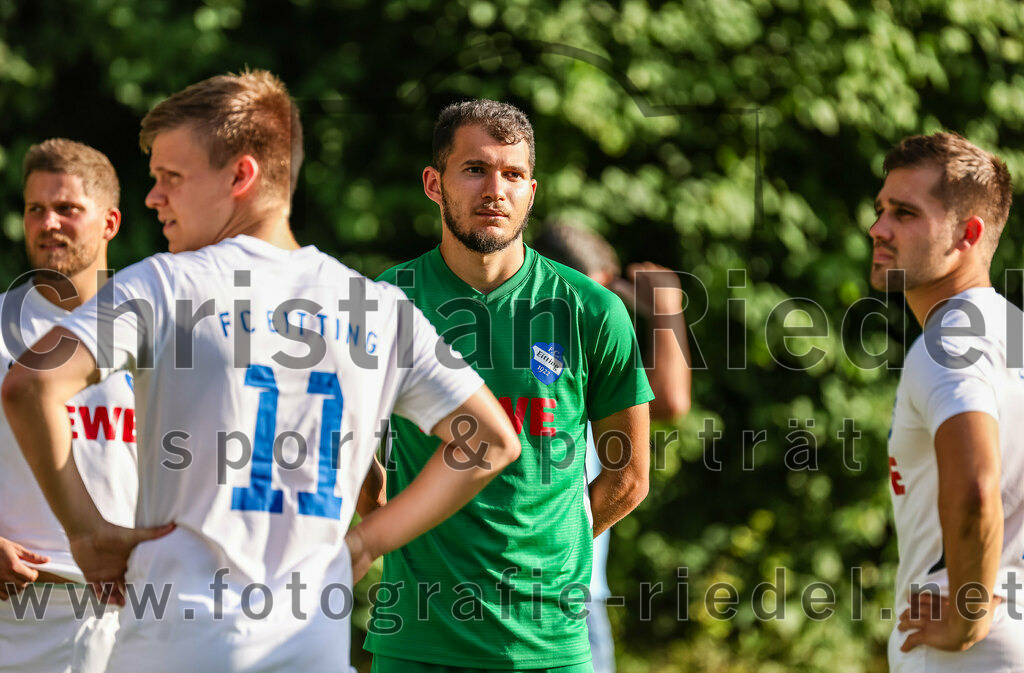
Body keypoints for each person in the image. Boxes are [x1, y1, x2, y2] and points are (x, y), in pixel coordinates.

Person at [2, 70, 520, 673]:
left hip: (178, 642)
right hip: (312, 646)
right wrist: (364, 543)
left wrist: (86, 533)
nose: (153, 198)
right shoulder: (375, 306)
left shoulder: (168, 283)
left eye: (170, 178)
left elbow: (31, 384)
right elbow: (492, 440)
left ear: (240, 177)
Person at [363, 100, 653, 673]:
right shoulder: (385, 303)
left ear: (531, 190)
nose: (495, 190)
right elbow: (336, 444)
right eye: (474, 169)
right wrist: (384, 524)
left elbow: (631, 475)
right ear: (433, 183)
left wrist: (556, 545)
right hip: (416, 641)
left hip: (548, 645)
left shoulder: (592, 310)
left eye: (512, 174)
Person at [870, 132, 1024, 671]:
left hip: (963, 653)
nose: (878, 229)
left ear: (968, 233)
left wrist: (966, 617)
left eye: (905, 213)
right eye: (881, 209)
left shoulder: (947, 342)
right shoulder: (1014, 329)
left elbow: (978, 486)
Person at [0, 139, 136, 673]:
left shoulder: (165, 336)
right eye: (36, 209)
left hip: (143, 615)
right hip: (20, 616)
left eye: (67, 209)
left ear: (110, 222)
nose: (48, 222)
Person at [533, 223, 691, 673]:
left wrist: (664, 313)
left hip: (579, 592)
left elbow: (667, 402)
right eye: (599, 293)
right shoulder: (548, 353)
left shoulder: (584, 346)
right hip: (551, 590)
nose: (608, 310)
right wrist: (666, 312)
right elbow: (670, 400)